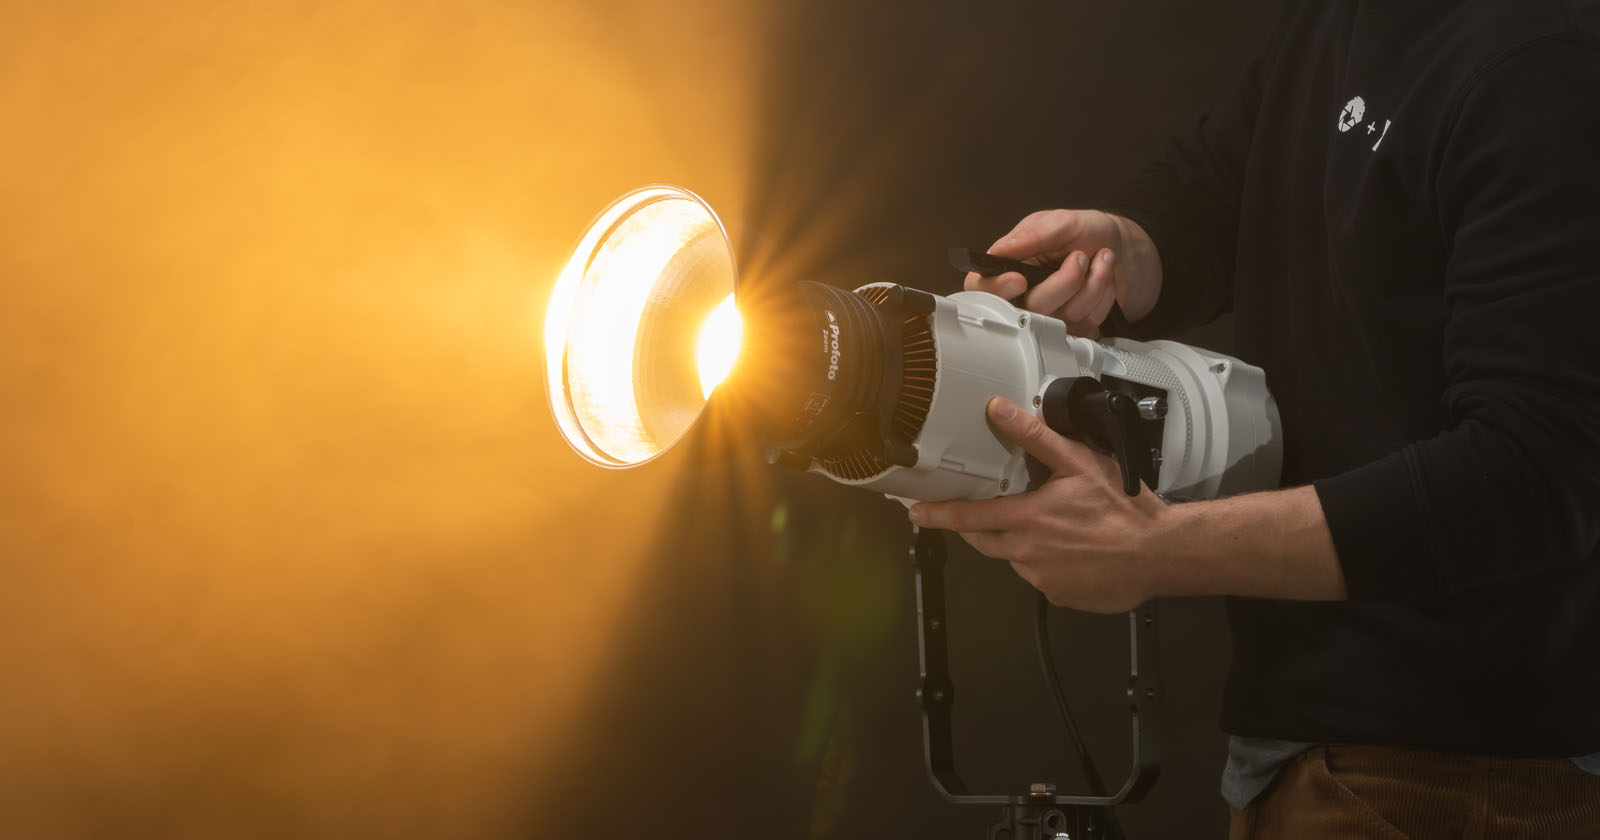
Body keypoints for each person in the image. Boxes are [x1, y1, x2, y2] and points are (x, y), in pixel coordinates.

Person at [906, 0, 1600, 836]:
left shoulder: (1536, 63)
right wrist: (1121, 249)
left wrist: (1154, 548)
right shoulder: (1339, 22)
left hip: (1454, 772)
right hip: (1303, 751)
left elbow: (1535, 473)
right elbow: (1222, 181)